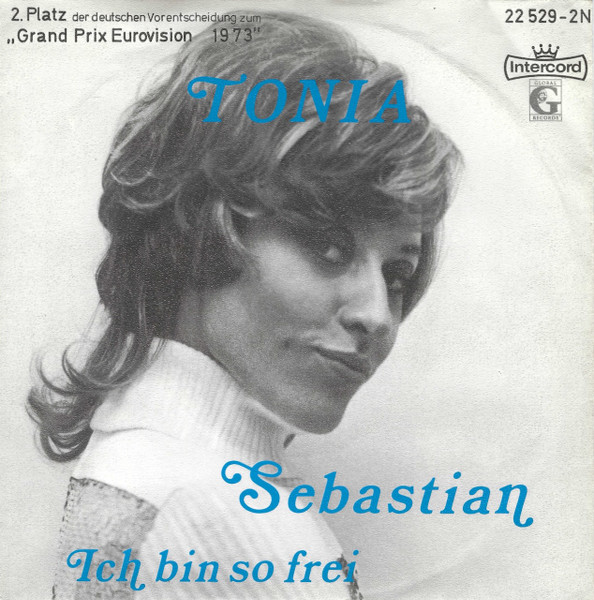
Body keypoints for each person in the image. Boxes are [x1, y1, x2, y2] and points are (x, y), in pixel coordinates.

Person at [28, 11, 461, 599]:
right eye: (329, 248)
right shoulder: (199, 501)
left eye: (397, 274)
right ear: (197, 230)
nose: (378, 315)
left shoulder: (168, 468)